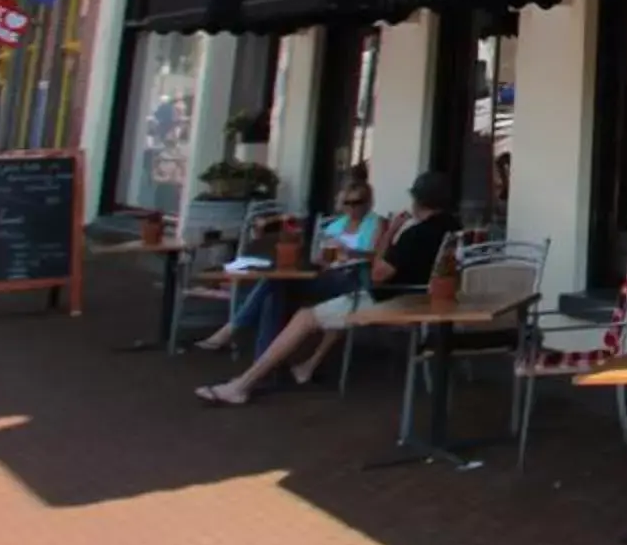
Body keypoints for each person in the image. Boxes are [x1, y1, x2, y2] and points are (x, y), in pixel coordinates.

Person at [196, 174, 453, 406]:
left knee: (305, 316)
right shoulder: (453, 228)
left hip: (394, 299)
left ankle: (242, 384)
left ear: (417, 201)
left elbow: (378, 275)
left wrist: (392, 232)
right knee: (278, 288)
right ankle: (266, 367)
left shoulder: (415, 234)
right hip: (427, 297)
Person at [192, 177, 384, 358]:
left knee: (276, 285)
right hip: (325, 274)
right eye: (347, 203)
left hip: (353, 278)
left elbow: (376, 256)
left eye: (357, 203)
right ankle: (262, 359)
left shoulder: (376, 223)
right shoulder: (335, 224)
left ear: (368, 202)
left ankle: (233, 329)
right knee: (276, 286)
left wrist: (349, 252)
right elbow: (317, 253)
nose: (352, 208)